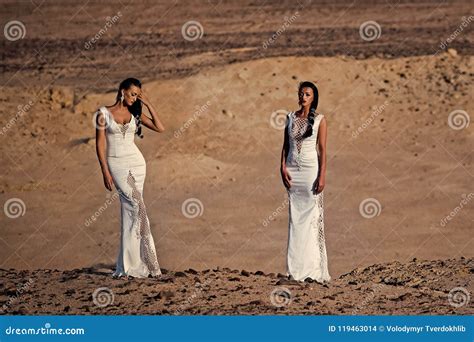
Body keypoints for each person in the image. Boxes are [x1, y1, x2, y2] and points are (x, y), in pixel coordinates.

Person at [95, 77, 165, 278]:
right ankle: (143, 263)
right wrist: (105, 171)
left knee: (132, 211)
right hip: (116, 164)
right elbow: (99, 145)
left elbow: (160, 127)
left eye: (138, 95)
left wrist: (148, 103)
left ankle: (128, 264)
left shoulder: (135, 112)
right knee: (137, 207)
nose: (135, 98)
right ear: (122, 91)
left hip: (137, 163)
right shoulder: (103, 113)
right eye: (133, 94)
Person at [280, 81, 331, 283]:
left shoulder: (320, 120)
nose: (303, 97)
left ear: (313, 97)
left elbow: (323, 150)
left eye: (307, 94)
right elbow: (285, 146)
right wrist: (282, 167)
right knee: (295, 218)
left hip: (311, 171)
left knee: (311, 218)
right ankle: (294, 270)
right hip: (293, 172)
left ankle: (312, 270)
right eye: (301, 94)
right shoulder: (290, 117)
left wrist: (322, 175)